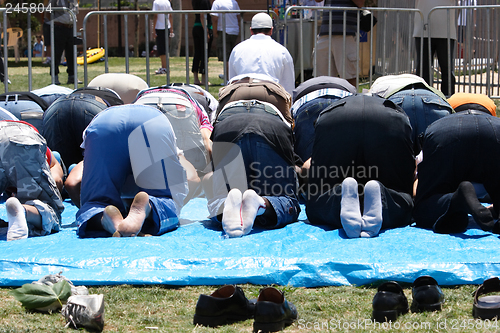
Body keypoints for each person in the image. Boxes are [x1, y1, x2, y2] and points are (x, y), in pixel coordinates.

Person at [76, 104, 193, 238]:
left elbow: (73, 182)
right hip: (153, 123)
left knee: (96, 202)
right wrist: (176, 201)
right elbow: (191, 178)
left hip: (104, 123)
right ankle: (149, 206)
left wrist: (90, 205)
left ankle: (103, 217)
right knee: (164, 198)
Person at [306, 94, 415, 238]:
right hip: (389, 119)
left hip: (336, 118)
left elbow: (307, 167)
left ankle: (339, 197)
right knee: (401, 193)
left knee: (318, 196)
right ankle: (383, 197)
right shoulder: (387, 105)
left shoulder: (342, 104)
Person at [205, 106, 301, 238]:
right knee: (288, 200)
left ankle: (225, 201)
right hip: (272, 130)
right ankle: (261, 203)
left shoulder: (225, 105)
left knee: (219, 196)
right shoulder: (279, 107)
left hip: (227, 129)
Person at [413, 93, 500, 234]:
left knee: (425, 205)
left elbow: (418, 182)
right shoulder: (494, 121)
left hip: (447, 133)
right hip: (495, 130)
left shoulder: (442, 124)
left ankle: (455, 200)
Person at [0, 120, 64, 241]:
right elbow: (57, 181)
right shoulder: (52, 160)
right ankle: (24, 211)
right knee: (51, 213)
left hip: (8, 130)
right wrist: (48, 198)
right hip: (19, 139)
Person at [369, 74, 454, 154]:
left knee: (396, 160)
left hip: (395, 101)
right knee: (437, 159)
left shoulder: (377, 83)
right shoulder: (419, 80)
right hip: (431, 99)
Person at [291, 76, 356, 163]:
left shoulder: (300, 90)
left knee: (306, 159)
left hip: (308, 103)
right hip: (343, 98)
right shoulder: (349, 87)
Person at [228, 13, 295, 95]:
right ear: (271, 30)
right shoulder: (282, 51)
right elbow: (288, 85)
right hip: (271, 96)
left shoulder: (237, 49)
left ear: (251, 30)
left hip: (241, 95)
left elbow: (232, 80)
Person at [314, 0, 364, 86]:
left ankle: (351, 99)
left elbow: (360, 3)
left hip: (346, 34)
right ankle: (327, 99)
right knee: (322, 79)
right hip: (325, 34)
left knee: (349, 76)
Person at [413, 0, 457, 96]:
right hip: (423, 28)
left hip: (446, 30)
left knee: (447, 69)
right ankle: (423, 99)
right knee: (423, 69)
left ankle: (448, 100)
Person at [43, 0, 80, 85]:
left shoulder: (74, 1)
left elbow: (76, 12)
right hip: (59, 28)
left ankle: (72, 76)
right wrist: (54, 24)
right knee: (57, 53)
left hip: (71, 28)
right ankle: (54, 76)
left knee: (71, 53)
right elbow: (48, 13)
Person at [210, 0, 240, 79]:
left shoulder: (217, 3)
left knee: (225, 56)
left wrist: (215, 32)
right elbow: (238, 17)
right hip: (234, 31)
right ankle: (229, 74)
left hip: (224, 30)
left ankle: (228, 77)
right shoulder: (234, 2)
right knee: (232, 55)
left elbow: (215, 19)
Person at [191, 0, 213, 85]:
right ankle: (204, 79)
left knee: (197, 53)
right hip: (203, 27)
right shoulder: (204, 1)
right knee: (205, 54)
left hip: (196, 26)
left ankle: (196, 78)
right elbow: (202, 15)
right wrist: (206, 31)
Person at [152, 0, 174, 75]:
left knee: (161, 49)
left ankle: (164, 67)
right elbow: (170, 15)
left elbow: (155, 15)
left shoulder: (156, 2)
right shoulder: (167, 2)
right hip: (167, 27)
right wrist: (171, 28)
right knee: (165, 48)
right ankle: (165, 67)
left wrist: (153, 29)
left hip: (159, 27)